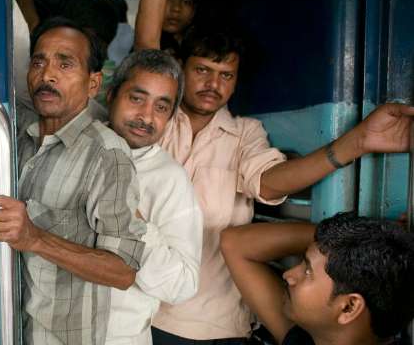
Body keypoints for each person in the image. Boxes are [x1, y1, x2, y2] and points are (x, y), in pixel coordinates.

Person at [147, 24, 414, 343]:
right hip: (138, 306)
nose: (213, 84)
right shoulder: (152, 121)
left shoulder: (245, 133)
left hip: (207, 322)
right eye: (202, 70)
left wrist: (355, 144)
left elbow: (269, 183)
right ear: (179, 68)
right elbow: (144, 52)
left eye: (226, 75)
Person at [0, 17, 146, 345]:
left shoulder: (107, 155)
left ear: (93, 83)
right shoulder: (13, 136)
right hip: (1, 333)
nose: (47, 75)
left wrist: (35, 238)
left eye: (65, 64)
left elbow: (123, 271)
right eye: (39, 62)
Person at [104, 49, 203, 345]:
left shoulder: (170, 180)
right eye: (136, 99)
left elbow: (182, 286)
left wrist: (133, 221)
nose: (146, 117)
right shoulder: (75, 148)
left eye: (161, 107)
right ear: (111, 96)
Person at [220, 213, 414, 345]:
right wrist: (374, 240)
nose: (288, 275)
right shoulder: (310, 338)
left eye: (307, 271)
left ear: (349, 306)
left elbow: (235, 245)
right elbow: (234, 244)